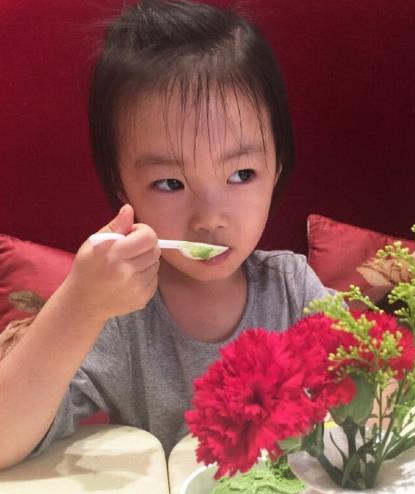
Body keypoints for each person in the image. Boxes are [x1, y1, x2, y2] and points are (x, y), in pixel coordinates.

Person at [0, 0, 333, 469]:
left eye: (241, 174)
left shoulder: (293, 290)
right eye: (171, 183)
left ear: (276, 167)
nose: (210, 218)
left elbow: (376, 393)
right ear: (122, 186)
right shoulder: (119, 316)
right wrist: (79, 305)